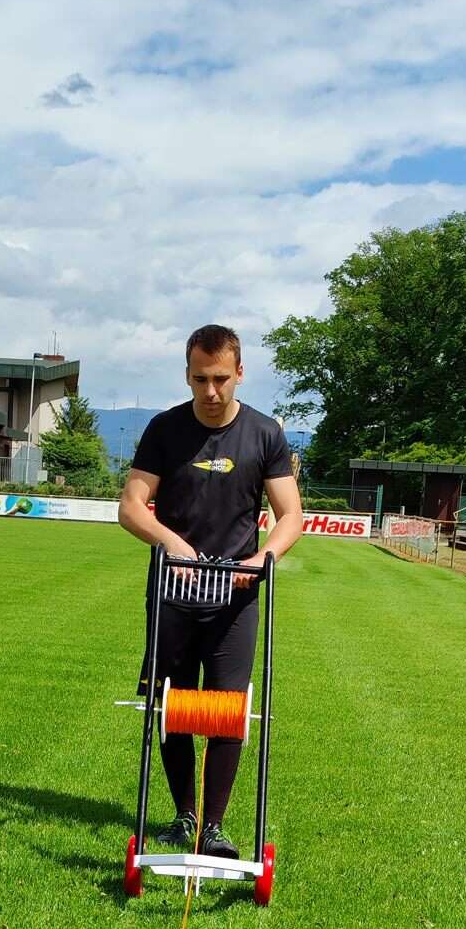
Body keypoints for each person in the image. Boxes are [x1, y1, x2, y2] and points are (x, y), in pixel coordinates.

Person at [118, 325, 303, 857]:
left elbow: (290, 514)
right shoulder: (164, 430)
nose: (211, 391)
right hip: (174, 592)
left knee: (227, 708)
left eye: (221, 378)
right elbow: (131, 507)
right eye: (200, 379)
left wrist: (262, 559)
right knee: (173, 705)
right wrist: (172, 543)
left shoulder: (265, 434)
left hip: (236, 596)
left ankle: (214, 828)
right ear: (187, 374)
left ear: (240, 372)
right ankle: (183, 817)